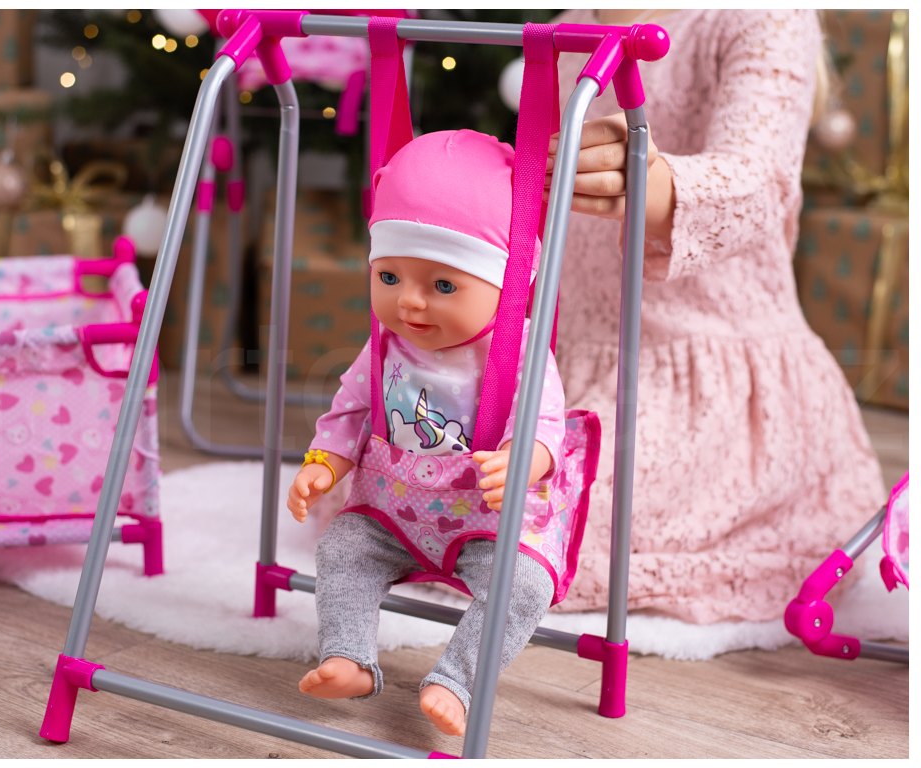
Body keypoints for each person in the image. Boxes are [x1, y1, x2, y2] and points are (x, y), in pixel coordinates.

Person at [545, 9, 886, 623]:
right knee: (441, 484)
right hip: (567, 356)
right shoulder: (569, 26)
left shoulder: (763, 16)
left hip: (706, 370)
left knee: (550, 525)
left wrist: (651, 178)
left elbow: (760, 179)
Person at [286, 129, 576, 736]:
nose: (410, 304)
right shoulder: (385, 343)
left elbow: (545, 419)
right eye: (389, 277)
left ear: (508, 283)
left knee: (523, 585)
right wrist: (325, 463)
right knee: (343, 549)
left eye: (443, 285)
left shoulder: (517, 348)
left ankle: (457, 680)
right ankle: (348, 655)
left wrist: (525, 459)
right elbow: (350, 411)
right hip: (393, 513)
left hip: (487, 526)